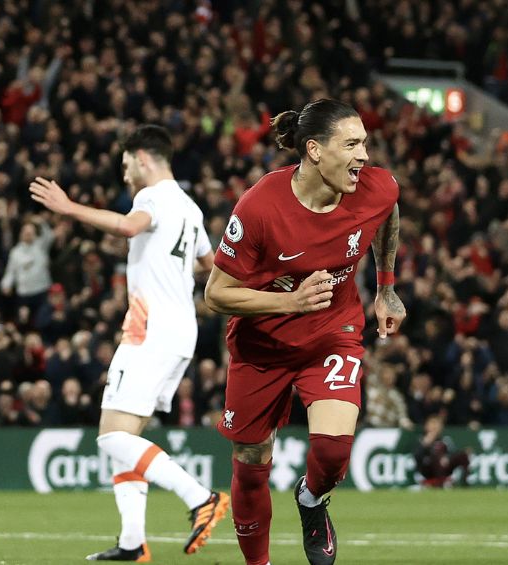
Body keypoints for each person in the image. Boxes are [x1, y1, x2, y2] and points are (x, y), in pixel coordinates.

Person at [204, 98, 405, 565]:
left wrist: (387, 287)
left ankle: (312, 499)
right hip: (262, 346)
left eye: (365, 144)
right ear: (314, 150)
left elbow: (387, 210)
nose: (364, 157)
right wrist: (289, 302)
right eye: (351, 145)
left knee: (333, 451)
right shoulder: (259, 207)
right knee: (252, 467)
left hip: (332, 333)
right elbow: (216, 295)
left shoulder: (374, 188)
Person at [29, 125, 229, 561]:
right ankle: (132, 541)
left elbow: (126, 226)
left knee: (110, 438)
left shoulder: (152, 198)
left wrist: (68, 208)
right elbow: (210, 265)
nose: (124, 177)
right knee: (127, 437)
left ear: (142, 158)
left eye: (125, 166)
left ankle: (200, 497)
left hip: (149, 329)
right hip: (180, 332)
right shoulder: (191, 208)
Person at [414, 414, 471, 488]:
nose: (434, 427)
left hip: (444, 467)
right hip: (428, 469)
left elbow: (453, 452)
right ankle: (440, 484)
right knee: (436, 454)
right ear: (426, 426)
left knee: (463, 455)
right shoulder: (421, 440)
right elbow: (417, 457)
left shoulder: (445, 440)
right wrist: (425, 445)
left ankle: (465, 484)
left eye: (437, 424)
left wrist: (447, 457)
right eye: (432, 424)